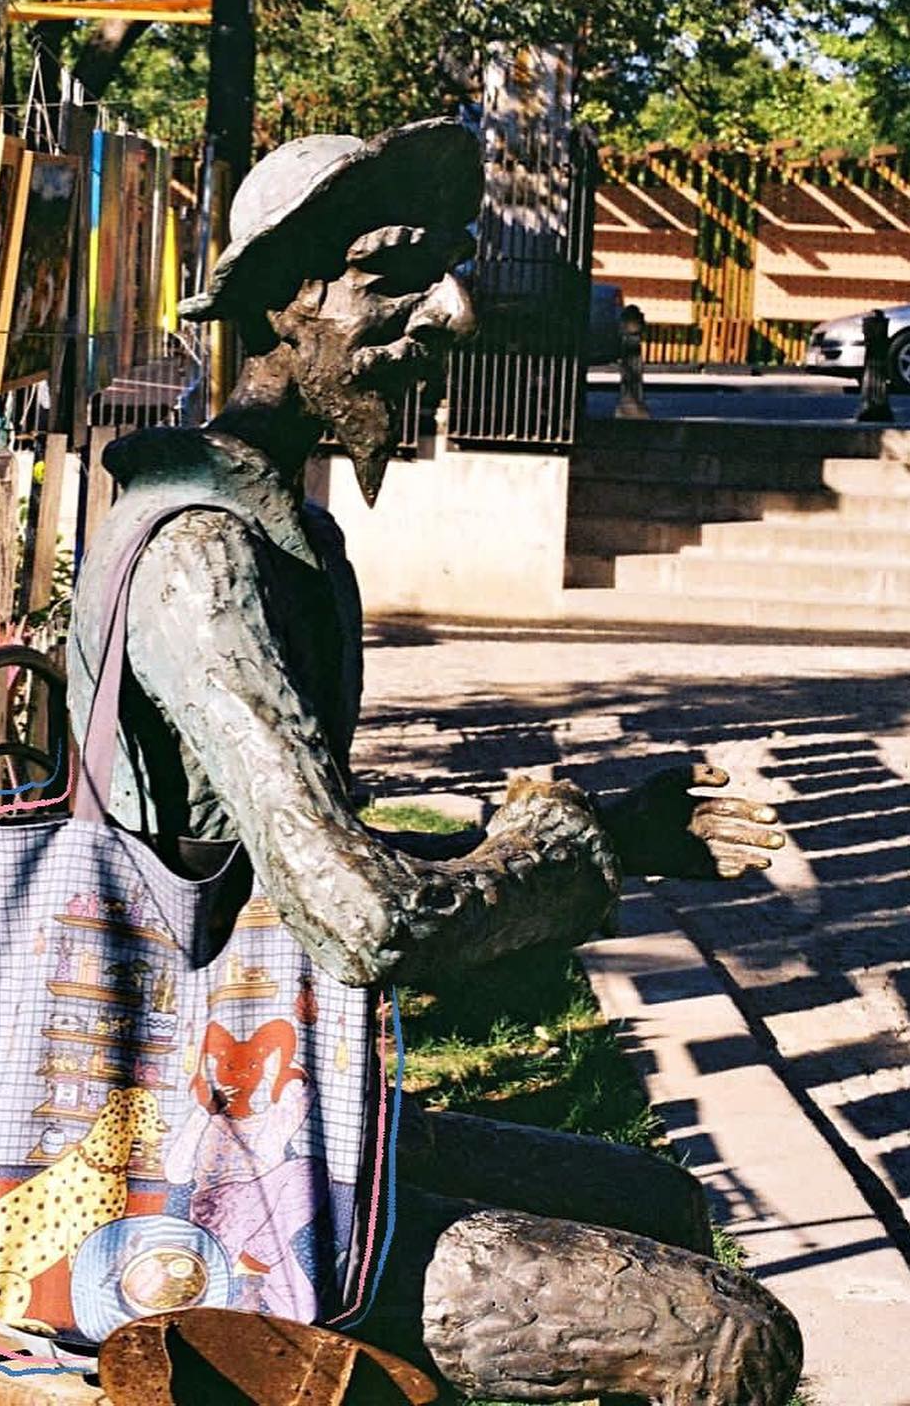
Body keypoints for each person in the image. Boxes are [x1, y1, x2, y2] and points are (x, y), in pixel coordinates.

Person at [66, 121, 801, 1404]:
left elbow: (297, 870)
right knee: (722, 1340)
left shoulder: (286, 535)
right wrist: (557, 853)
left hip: (268, 1106)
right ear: (277, 308)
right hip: (178, 1176)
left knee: (660, 1198)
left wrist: (615, 834)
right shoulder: (200, 553)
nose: (451, 312)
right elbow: (368, 922)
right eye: (393, 274)